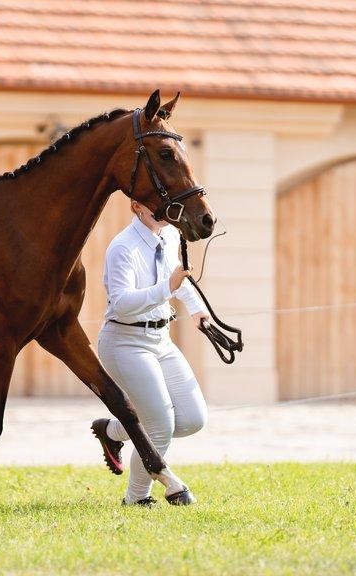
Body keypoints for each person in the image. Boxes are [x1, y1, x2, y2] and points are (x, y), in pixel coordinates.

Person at [90, 199, 211, 506]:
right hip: (125, 342)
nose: (164, 207)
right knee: (160, 426)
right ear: (137, 207)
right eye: (154, 202)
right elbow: (121, 303)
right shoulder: (122, 247)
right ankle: (136, 499)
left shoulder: (168, 234)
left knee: (193, 419)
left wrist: (197, 309)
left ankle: (113, 431)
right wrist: (166, 287)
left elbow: (176, 278)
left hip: (161, 338)